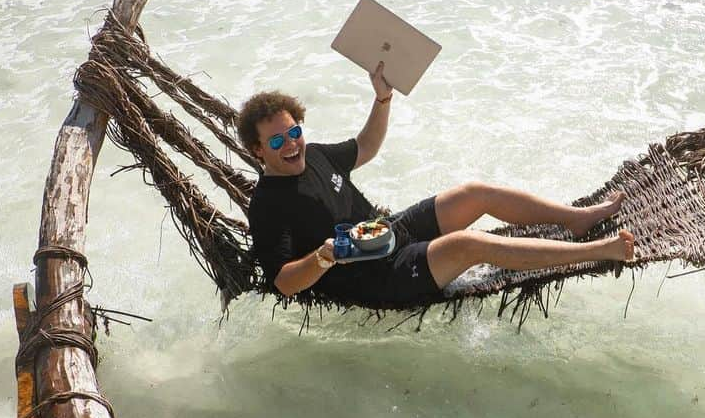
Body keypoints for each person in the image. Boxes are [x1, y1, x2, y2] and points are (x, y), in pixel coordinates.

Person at [239, 63, 635, 310]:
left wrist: (383, 99)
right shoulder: (267, 207)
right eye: (277, 141)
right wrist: (323, 257)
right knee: (468, 245)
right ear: (258, 150)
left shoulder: (318, 156)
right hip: (375, 278)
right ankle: (597, 250)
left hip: (388, 231)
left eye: (294, 132)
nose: (291, 144)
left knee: (475, 193)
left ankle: (577, 219)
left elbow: (366, 146)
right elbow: (284, 282)